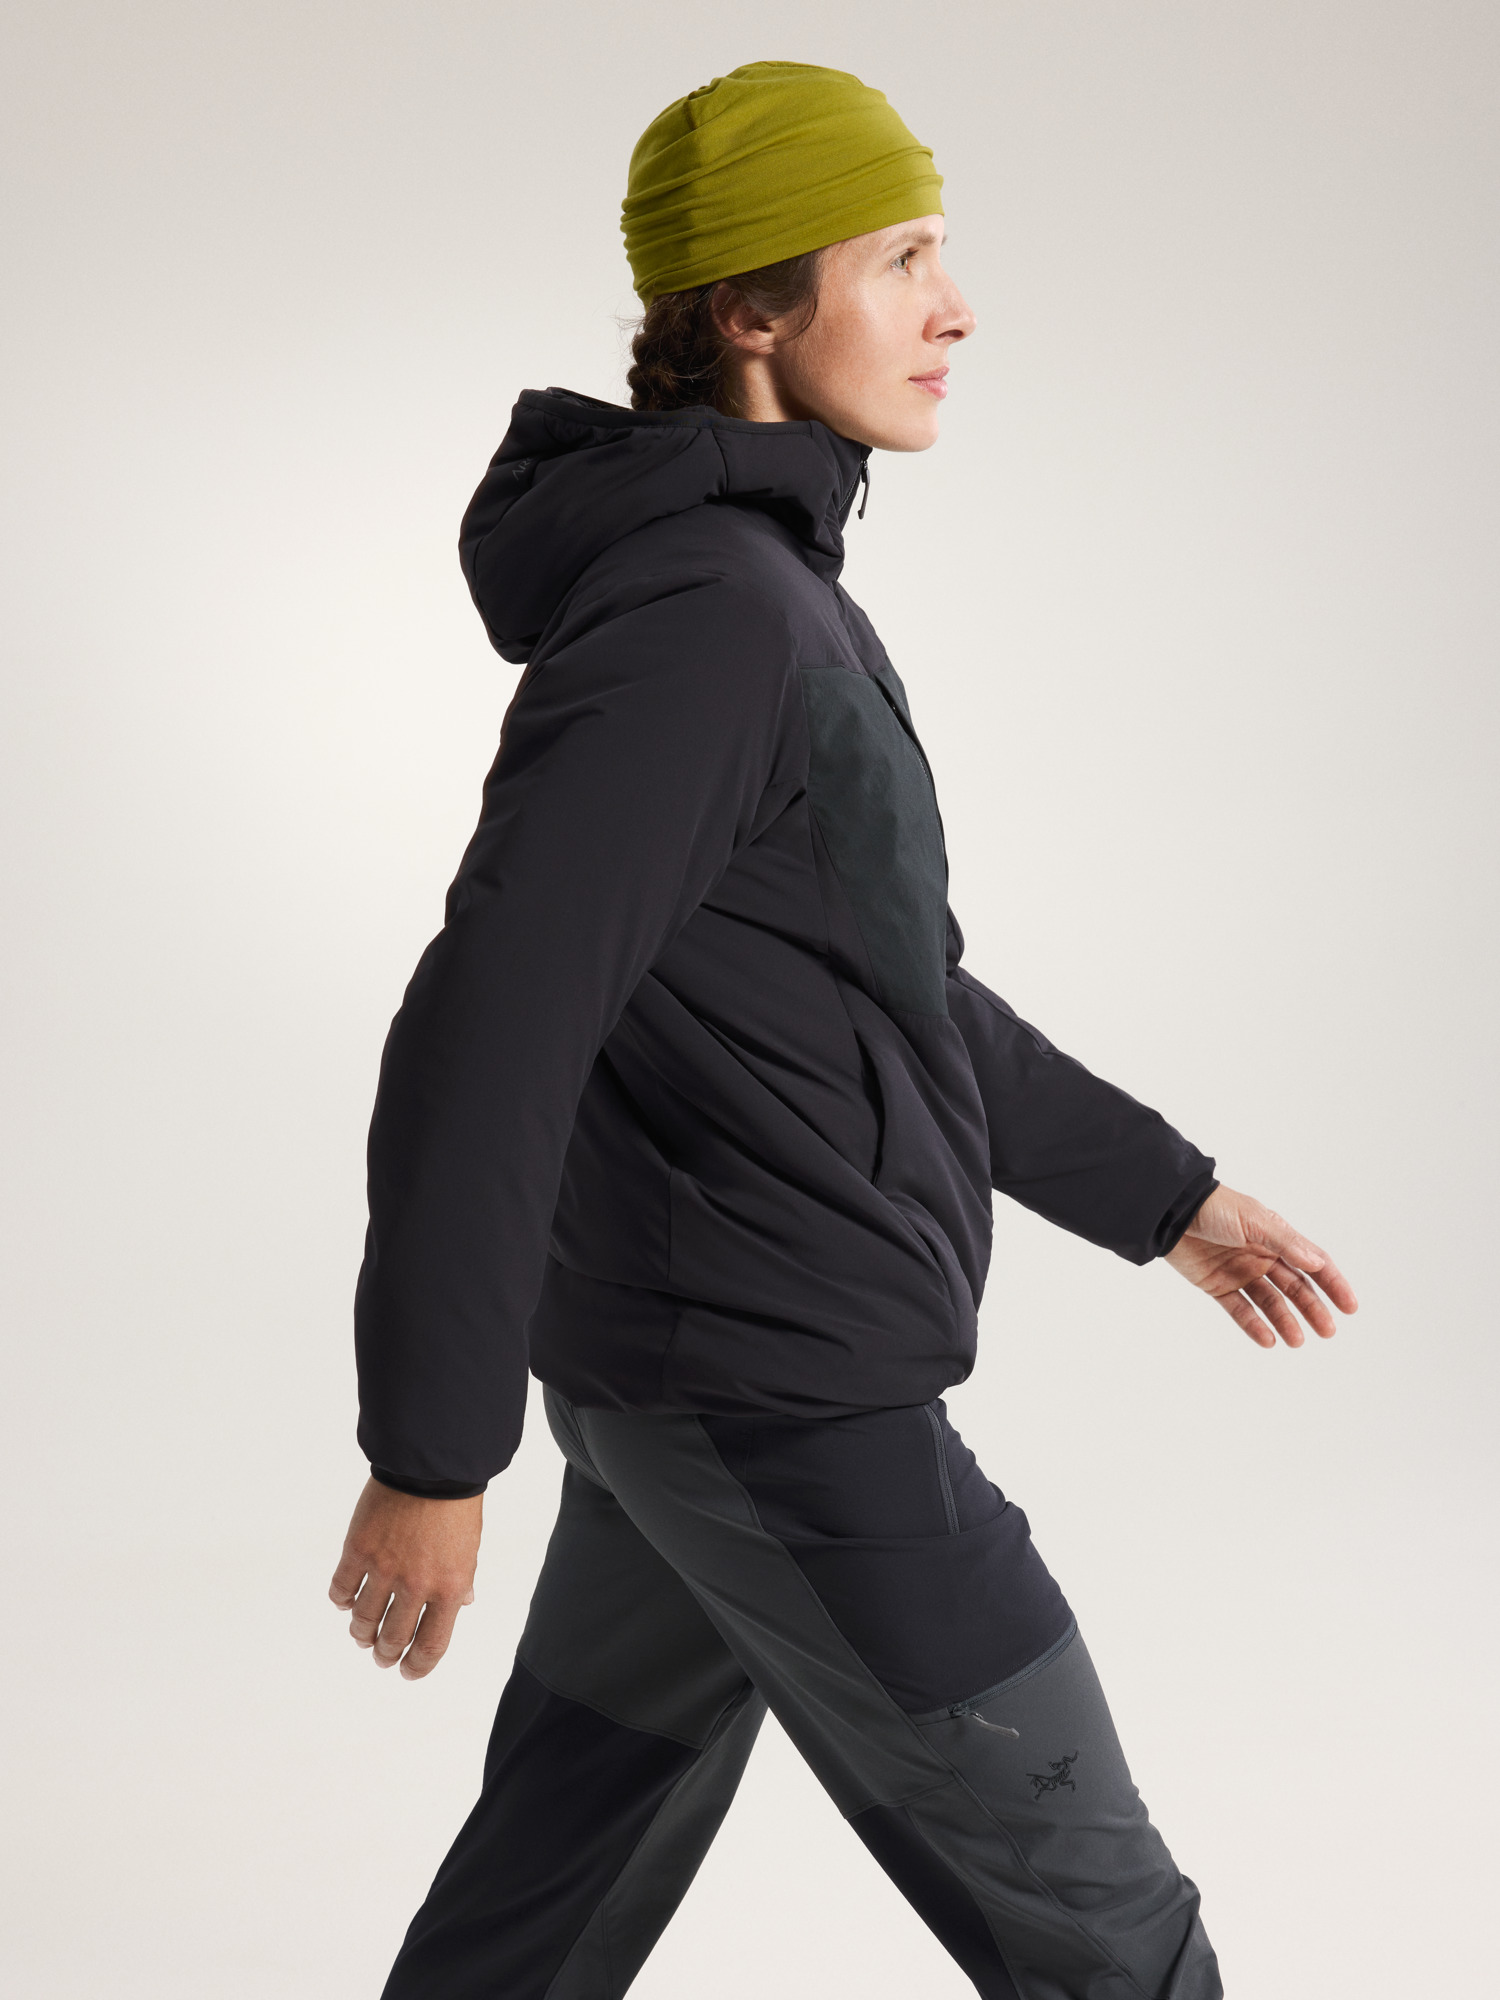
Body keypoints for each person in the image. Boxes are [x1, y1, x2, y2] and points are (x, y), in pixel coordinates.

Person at [328, 61, 1357, 2000]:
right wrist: (433, 1450)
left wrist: (1169, 1197)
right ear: (749, 309)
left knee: (549, 1887)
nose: (955, 307)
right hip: (784, 1410)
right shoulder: (712, 615)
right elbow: (491, 1024)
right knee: (1108, 1932)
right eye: (900, 259)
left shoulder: (754, 586)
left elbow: (880, 978)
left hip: (691, 1380)